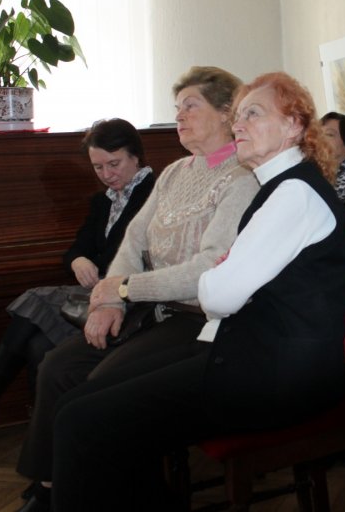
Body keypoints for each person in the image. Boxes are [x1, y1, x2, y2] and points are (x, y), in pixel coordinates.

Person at [47, 71, 345, 511]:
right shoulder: (282, 187)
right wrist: (222, 271)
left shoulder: (293, 195)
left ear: (293, 125)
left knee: (81, 420)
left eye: (253, 113)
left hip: (278, 376)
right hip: (251, 354)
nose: (239, 124)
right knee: (81, 406)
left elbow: (216, 295)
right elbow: (216, 278)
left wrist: (220, 274)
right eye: (238, 115)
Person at [15, 66, 259, 512]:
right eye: (177, 107)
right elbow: (133, 241)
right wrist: (110, 300)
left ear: (227, 112)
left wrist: (123, 290)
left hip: (197, 320)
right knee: (57, 366)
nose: (179, 116)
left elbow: (207, 269)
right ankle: (50, 486)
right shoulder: (174, 172)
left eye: (190, 106)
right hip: (152, 310)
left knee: (100, 390)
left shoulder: (243, 178)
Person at [0, 118, 155, 435]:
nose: (107, 175)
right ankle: (45, 438)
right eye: (98, 167)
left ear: (136, 156)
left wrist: (96, 267)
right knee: (38, 344)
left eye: (114, 164)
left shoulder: (154, 193)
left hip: (130, 301)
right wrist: (79, 260)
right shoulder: (104, 201)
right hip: (97, 295)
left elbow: (134, 257)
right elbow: (77, 248)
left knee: (34, 299)